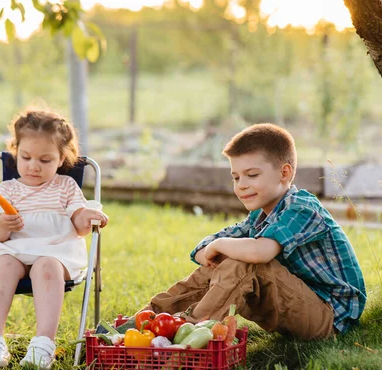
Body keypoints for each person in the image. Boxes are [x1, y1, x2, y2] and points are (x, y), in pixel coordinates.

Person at [143, 123, 366, 340]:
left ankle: (189, 335)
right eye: (236, 177)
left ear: (284, 173)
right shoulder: (259, 217)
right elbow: (202, 251)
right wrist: (214, 249)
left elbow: (260, 253)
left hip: (329, 317)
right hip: (297, 304)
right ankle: (147, 320)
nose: (241, 185)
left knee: (245, 261)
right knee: (233, 256)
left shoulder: (302, 209)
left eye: (252, 175)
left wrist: (219, 247)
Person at [0, 109, 109, 370]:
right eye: (26, 157)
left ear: (61, 158)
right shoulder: (7, 189)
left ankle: (43, 344)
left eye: (45, 160)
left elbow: (79, 223)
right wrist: (2, 223)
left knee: (47, 266)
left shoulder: (66, 187)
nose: (34, 166)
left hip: (54, 253)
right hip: (13, 251)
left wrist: (87, 216)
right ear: (16, 151)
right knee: (2, 264)